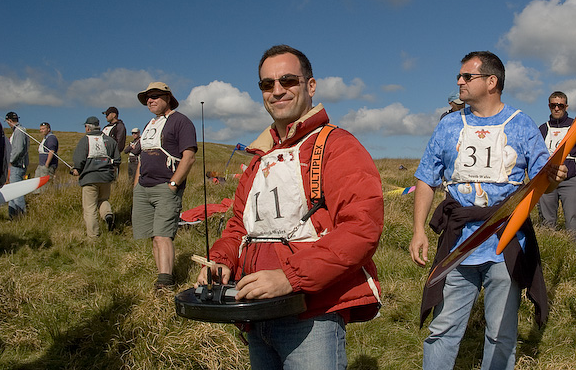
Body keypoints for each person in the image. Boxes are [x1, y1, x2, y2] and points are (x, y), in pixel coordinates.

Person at [196, 45, 384, 369]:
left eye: (287, 80)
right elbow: (240, 229)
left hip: (311, 316)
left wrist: (289, 277)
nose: (277, 90)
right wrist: (221, 260)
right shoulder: (257, 161)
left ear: (310, 86)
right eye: (267, 84)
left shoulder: (338, 146)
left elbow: (361, 228)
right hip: (254, 312)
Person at [409, 51, 567, 370]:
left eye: (467, 76)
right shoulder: (449, 125)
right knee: (442, 331)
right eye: (460, 76)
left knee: (500, 335)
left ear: (491, 82)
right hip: (458, 245)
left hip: (505, 242)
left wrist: (554, 177)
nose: (459, 82)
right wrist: (418, 229)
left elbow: (542, 183)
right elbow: (426, 179)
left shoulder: (521, 123)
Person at [133, 82, 197, 291]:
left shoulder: (181, 122)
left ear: (167, 98)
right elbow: (142, 157)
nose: (150, 100)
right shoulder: (149, 126)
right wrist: (136, 186)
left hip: (165, 188)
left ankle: (165, 283)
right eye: (148, 98)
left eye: (155, 96)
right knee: (154, 236)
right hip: (143, 188)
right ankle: (161, 275)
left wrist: (173, 183)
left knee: (163, 235)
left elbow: (189, 156)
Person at [71, 116, 121, 239]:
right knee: (103, 200)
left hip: (89, 179)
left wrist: (76, 170)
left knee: (90, 208)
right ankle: (108, 215)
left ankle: (93, 237)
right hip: (106, 178)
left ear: (88, 127)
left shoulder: (84, 141)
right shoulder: (110, 141)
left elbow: (79, 161)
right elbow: (117, 160)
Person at [537, 91, 576, 234]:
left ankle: (572, 251)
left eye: (560, 105)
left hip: (570, 180)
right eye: (553, 105)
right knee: (547, 221)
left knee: (573, 220)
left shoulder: (574, 127)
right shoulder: (543, 128)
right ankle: (550, 249)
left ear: (566, 106)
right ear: (549, 106)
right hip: (547, 180)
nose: (557, 108)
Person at [5, 112, 29, 218]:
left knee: (16, 192)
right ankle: (12, 216)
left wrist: (10, 160)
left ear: (9, 120)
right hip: (16, 165)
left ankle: (21, 216)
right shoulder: (18, 131)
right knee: (12, 192)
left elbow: (18, 149)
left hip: (17, 165)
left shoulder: (19, 131)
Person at [34, 122, 59, 193]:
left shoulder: (51, 138)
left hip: (47, 166)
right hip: (41, 165)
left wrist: (46, 165)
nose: (41, 130)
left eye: (43, 129)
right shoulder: (45, 138)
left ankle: (45, 198)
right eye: (40, 129)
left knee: (45, 185)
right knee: (38, 184)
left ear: (48, 129)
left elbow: (51, 151)